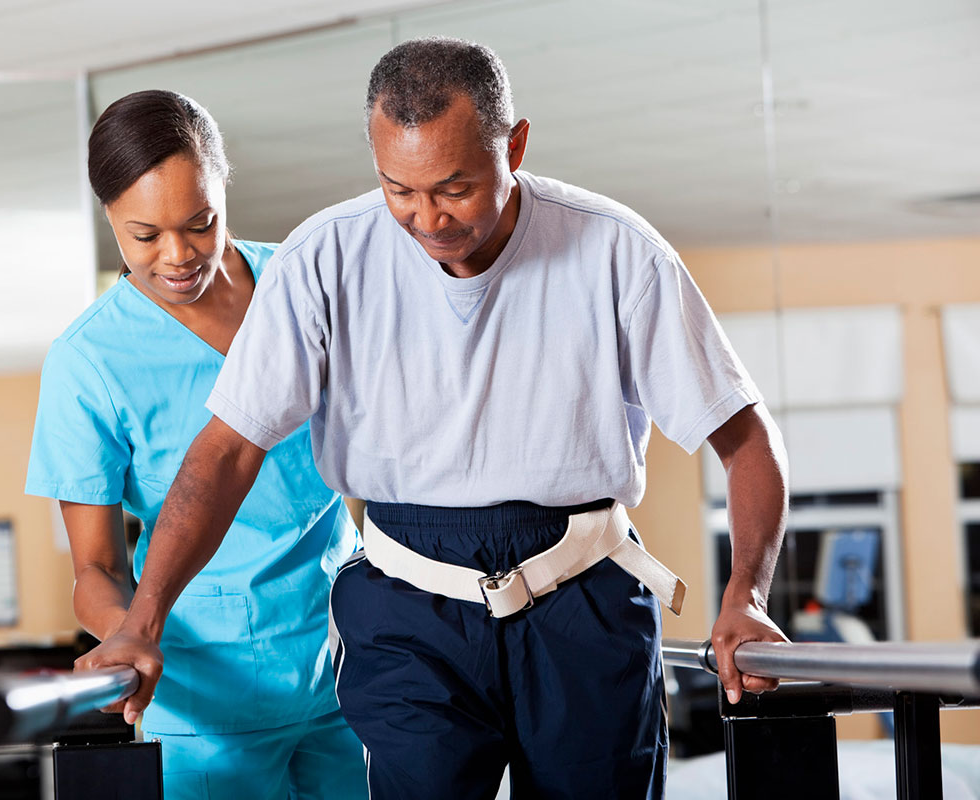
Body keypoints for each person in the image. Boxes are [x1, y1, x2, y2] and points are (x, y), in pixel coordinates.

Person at [80, 39, 790, 799]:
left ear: (514, 145)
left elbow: (746, 439)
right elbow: (225, 453)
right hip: (405, 607)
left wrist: (746, 596)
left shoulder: (617, 253)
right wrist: (142, 619)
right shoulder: (324, 258)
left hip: (582, 594)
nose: (427, 218)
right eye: (399, 189)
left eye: (455, 186)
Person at [25, 89, 367, 800]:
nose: (178, 256)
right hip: (204, 700)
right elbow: (93, 569)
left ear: (223, 188)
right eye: (144, 235)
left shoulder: (300, 285)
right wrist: (128, 633)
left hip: (350, 671)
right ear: (109, 218)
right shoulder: (88, 361)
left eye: (200, 224)